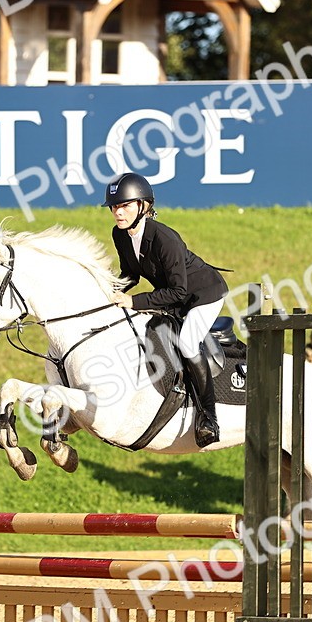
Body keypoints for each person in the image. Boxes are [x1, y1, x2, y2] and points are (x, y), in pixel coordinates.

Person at [103, 172, 229, 447]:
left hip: (203, 294)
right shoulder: (120, 235)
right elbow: (130, 274)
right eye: (114, 207)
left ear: (143, 206)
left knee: (186, 342)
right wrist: (107, 291)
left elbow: (179, 291)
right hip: (174, 297)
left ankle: (209, 418)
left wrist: (133, 302)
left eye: (124, 206)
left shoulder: (165, 238)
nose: (118, 213)